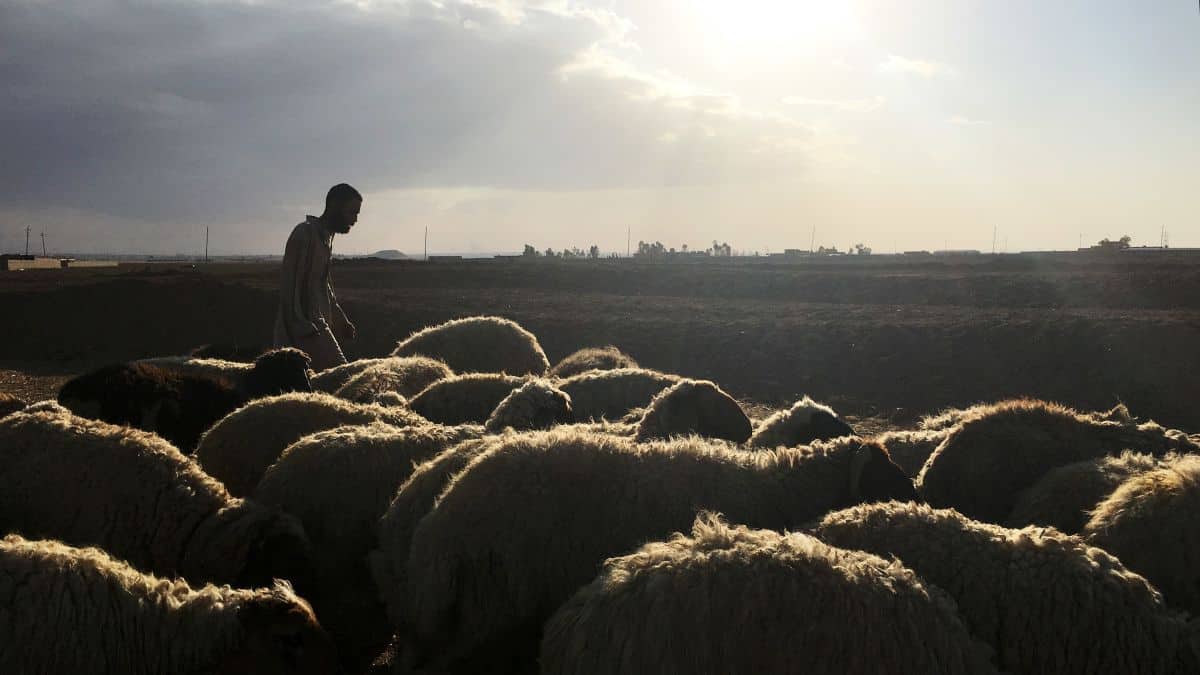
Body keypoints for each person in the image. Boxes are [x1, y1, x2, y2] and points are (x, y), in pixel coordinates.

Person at [274, 183, 360, 370]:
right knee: (342, 378)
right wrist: (305, 330)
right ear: (335, 205)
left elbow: (323, 287)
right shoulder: (305, 234)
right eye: (352, 212)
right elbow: (291, 288)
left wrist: (340, 320)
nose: (355, 219)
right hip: (305, 330)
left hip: (316, 326)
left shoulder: (325, 239)